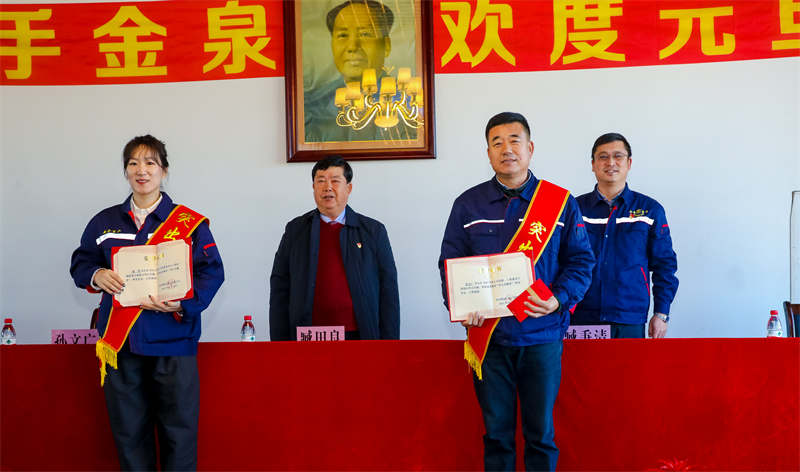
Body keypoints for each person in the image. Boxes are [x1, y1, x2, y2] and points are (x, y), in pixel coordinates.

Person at [438, 112, 595, 471]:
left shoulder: (559, 202)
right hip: (490, 338)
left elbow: (581, 261)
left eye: (514, 141)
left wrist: (558, 299)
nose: (506, 149)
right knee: (497, 436)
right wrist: (461, 306)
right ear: (488, 153)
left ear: (530, 148)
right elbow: (449, 263)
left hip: (541, 337)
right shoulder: (468, 204)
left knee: (540, 435)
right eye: (497, 143)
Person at [70, 135, 224, 471]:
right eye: (133, 163)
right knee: (129, 436)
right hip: (121, 346)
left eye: (150, 163)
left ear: (164, 170)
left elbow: (212, 272)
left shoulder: (188, 223)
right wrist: (97, 274)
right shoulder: (104, 222)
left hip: (173, 343)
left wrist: (182, 304)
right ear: (125, 171)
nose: (142, 170)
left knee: (179, 435)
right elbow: (81, 263)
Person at [269, 155, 400, 340]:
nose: (327, 187)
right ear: (313, 187)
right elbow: (280, 287)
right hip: (308, 336)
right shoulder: (296, 230)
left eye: (335, 181)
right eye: (321, 181)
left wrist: (390, 345)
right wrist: (279, 343)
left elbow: (389, 291)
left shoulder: (373, 231)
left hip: (359, 336)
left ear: (349, 188)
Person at [572, 133, 679, 338]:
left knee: (627, 362)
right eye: (603, 157)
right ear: (593, 164)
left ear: (629, 163)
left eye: (618, 156)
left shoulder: (650, 210)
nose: (610, 163)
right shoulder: (574, 209)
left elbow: (664, 265)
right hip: (580, 316)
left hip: (628, 317)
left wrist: (661, 313)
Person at [303, 0, 416, 142]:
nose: (352, 46)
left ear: (386, 46)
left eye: (365, 34)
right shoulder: (314, 106)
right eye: (343, 36)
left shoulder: (410, 102)